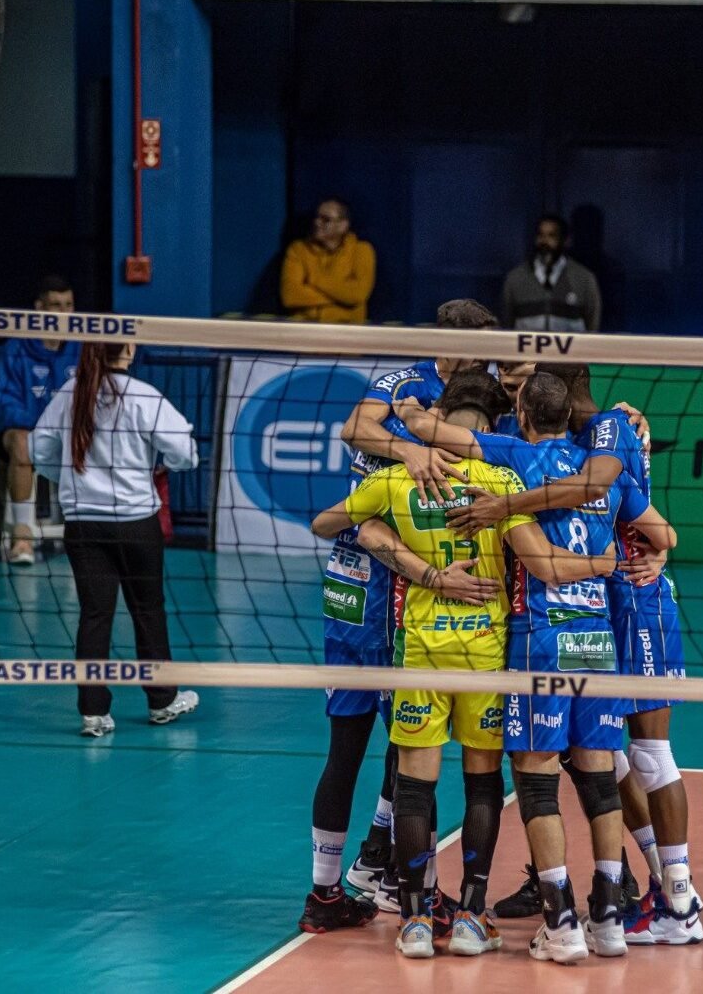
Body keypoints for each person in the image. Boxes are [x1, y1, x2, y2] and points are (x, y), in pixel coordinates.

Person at [314, 369, 619, 960]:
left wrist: (387, 540)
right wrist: (604, 564)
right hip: (486, 654)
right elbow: (544, 559)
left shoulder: (401, 479)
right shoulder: (503, 479)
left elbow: (327, 523)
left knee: (413, 787)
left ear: (444, 413)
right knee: (483, 784)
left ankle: (415, 921)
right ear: (493, 419)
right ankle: (474, 916)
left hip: (423, 654)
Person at [397, 371, 676, 963]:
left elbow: (433, 432)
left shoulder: (513, 457)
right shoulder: (599, 467)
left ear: (521, 413)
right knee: (600, 774)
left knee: (535, 774)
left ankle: (562, 920)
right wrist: (626, 559)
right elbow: (660, 533)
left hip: (541, 640)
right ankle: (608, 920)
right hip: (598, 640)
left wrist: (411, 411)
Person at [298, 298, 498, 939]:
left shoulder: (474, 384)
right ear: (449, 340)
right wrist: (408, 451)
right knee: (409, 742)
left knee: (367, 743)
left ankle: (339, 885)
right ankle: (404, 884)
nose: (488, 358)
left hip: (357, 578)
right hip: (380, 589)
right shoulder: (408, 382)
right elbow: (355, 427)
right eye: (480, 346)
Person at [30, 342, 201, 737]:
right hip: (134, 523)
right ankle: (161, 700)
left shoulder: (69, 394)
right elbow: (186, 453)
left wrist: (71, 480)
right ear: (129, 347)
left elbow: (37, 448)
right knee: (148, 611)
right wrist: (160, 465)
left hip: (83, 523)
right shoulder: (143, 395)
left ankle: (92, 711)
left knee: (94, 614)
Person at [0, 276, 80, 565]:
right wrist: (42, 426)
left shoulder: (82, 349)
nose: (64, 312)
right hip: (25, 433)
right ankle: (22, 537)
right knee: (20, 441)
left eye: (69, 305)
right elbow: (6, 405)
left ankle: (86, 534)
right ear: (39, 307)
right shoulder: (15, 349)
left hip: (67, 436)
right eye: (56, 305)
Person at [280, 197, 377, 323]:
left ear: (343, 226)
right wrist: (342, 297)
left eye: (325, 219)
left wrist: (315, 279)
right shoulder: (298, 250)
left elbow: (357, 294)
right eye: (316, 217)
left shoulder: (362, 250)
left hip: (347, 329)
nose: (317, 223)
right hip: (305, 327)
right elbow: (290, 296)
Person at [501, 214, 602, 334]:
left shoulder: (584, 279)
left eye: (552, 236)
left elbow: (592, 327)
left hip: (571, 351)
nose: (544, 241)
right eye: (540, 235)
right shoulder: (515, 279)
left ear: (565, 240)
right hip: (527, 351)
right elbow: (506, 326)